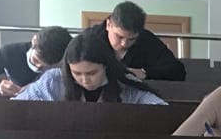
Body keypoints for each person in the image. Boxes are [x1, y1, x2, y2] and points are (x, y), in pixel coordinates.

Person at [13, 24, 167, 105]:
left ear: (105, 66)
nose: (85, 80)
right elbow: (17, 106)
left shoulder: (125, 83)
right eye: (77, 73)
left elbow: (159, 109)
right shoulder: (53, 80)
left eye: (92, 73)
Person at [103, 1, 185, 82]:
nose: (124, 44)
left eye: (132, 39)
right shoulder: (95, 39)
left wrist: (144, 73)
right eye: (119, 37)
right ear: (108, 25)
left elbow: (178, 70)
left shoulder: (146, 39)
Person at [0, 26, 71, 98]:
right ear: (34, 40)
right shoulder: (8, 53)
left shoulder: (66, 63)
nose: (38, 67)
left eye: (46, 66)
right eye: (35, 60)